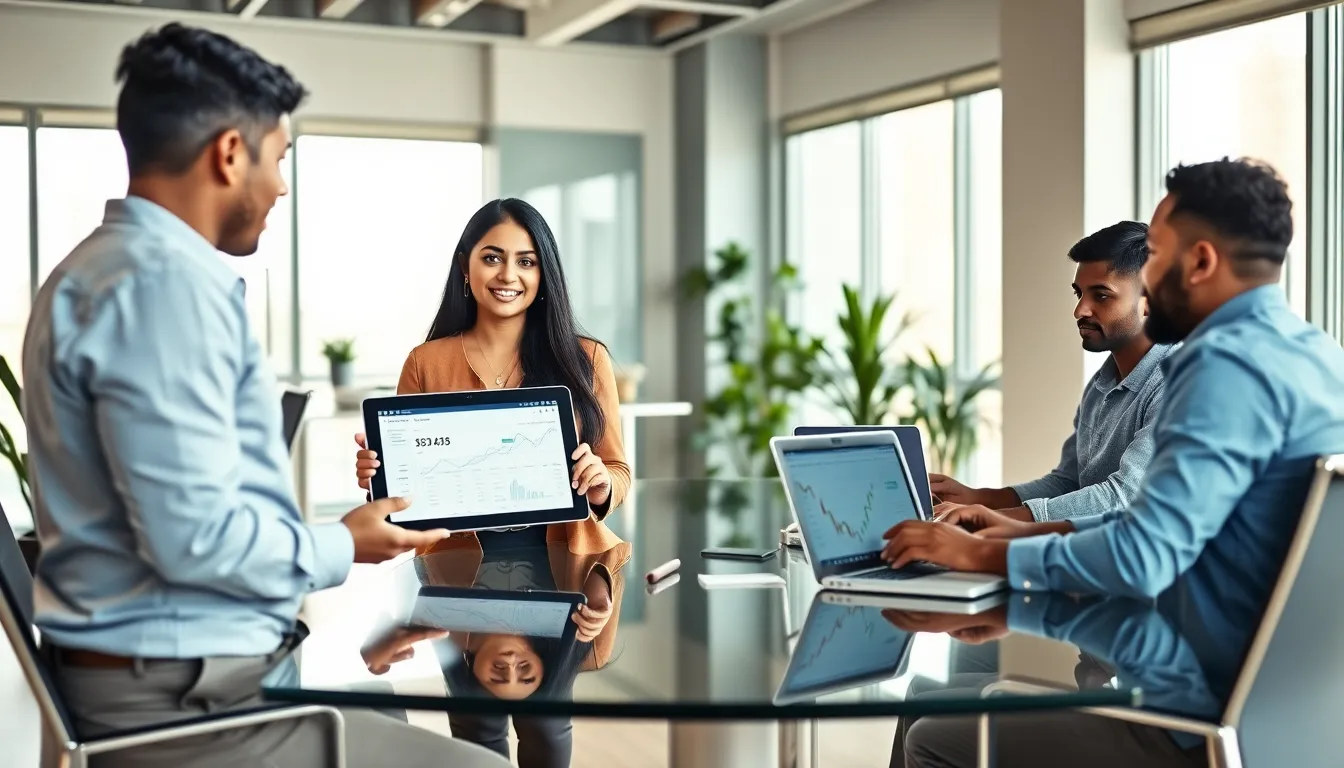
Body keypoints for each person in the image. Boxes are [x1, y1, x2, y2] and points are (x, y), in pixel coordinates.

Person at [21, 24, 507, 768]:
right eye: (280, 160)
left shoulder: (92, 271)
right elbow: (197, 541)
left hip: (189, 673)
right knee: (483, 765)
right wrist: (347, 543)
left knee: (391, 681)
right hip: (195, 705)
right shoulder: (162, 289)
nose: (281, 186)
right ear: (228, 153)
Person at [882, 157, 1344, 616]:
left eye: (1157, 255)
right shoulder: (1318, 353)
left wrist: (976, 553)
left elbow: (1141, 557)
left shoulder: (1220, 366)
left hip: (1206, 659)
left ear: (1200, 261)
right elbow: (1152, 527)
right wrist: (1011, 531)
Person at [352, 197, 631, 556]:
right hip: (452, 570)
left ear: (543, 274)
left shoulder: (587, 358)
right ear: (465, 266)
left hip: (572, 563)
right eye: (492, 258)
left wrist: (602, 484)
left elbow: (618, 469)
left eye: (526, 262)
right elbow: (408, 491)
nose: (508, 275)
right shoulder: (424, 363)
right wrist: (380, 478)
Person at [931, 221, 1174, 524]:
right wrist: (978, 498)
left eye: (1101, 296)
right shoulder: (1101, 386)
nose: (1080, 310)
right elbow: (1069, 482)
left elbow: (1123, 497)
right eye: (1078, 294)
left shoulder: (1178, 384)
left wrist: (989, 520)